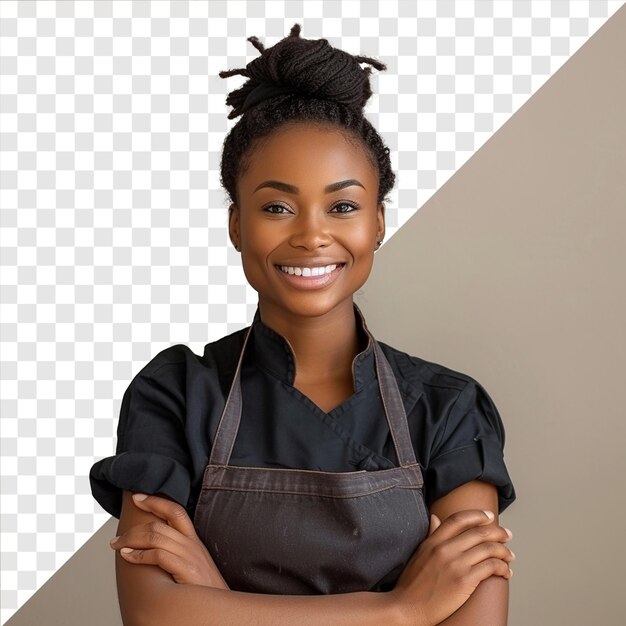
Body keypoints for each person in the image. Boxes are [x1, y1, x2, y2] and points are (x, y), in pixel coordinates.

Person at [90, 23, 515, 625]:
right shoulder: (176, 394)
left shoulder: (448, 410)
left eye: (342, 206)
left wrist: (219, 602)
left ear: (377, 223)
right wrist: (403, 611)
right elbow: (154, 617)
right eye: (276, 207)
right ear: (237, 224)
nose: (312, 235)